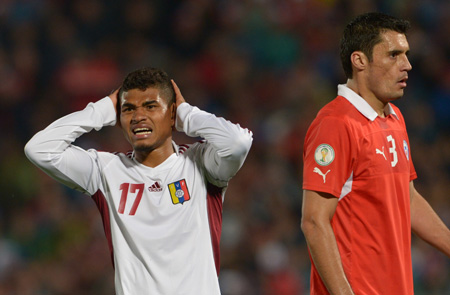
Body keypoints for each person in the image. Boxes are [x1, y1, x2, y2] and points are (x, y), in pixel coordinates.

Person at [24, 67, 253, 294]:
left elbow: (238, 143)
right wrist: (101, 110)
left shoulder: (201, 163)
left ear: (171, 113)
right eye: (128, 109)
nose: (138, 116)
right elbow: (39, 150)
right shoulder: (106, 171)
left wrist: (187, 114)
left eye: (150, 106)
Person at [301, 12, 450, 295]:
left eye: (406, 54)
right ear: (359, 60)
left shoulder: (394, 118)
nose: (406, 65)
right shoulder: (336, 124)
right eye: (394, 55)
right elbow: (313, 221)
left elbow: (408, 199)